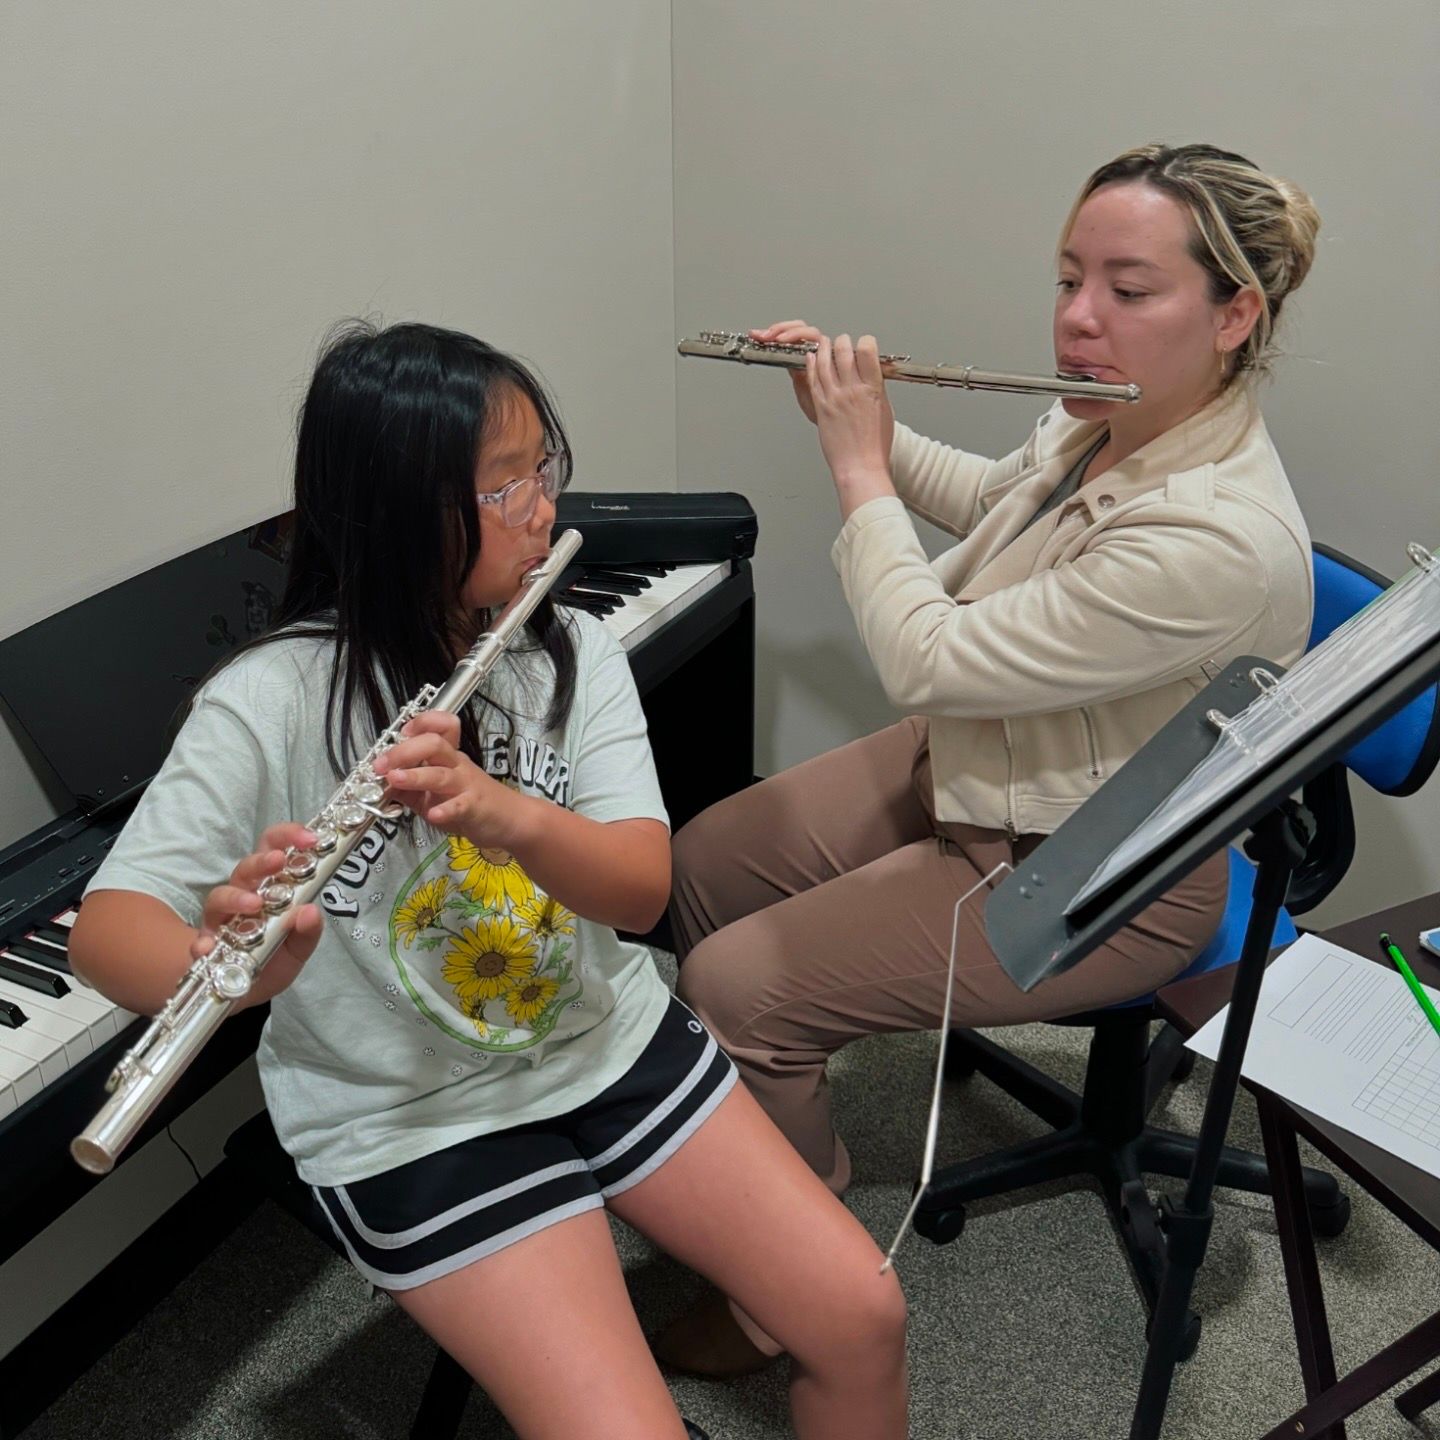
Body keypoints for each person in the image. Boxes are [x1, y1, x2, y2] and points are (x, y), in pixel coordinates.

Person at [69, 321, 908, 1440]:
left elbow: (640, 891)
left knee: (864, 1316)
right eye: (504, 487)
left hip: (604, 1039)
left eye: (540, 469)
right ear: (394, 518)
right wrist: (224, 966)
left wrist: (508, 814)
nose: (543, 509)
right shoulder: (268, 699)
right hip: (407, 1114)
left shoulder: (569, 654)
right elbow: (105, 930)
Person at [660, 142, 1320, 1373]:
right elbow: (991, 500)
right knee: (703, 863)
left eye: (1129, 289)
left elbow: (927, 659)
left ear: (1235, 315)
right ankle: (738, 1144)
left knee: (739, 990)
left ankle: (786, 1279)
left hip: (1096, 865)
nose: (1078, 319)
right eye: (1069, 279)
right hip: (990, 759)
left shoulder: (1219, 538)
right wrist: (864, 424)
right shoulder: (1106, 417)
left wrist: (856, 468)